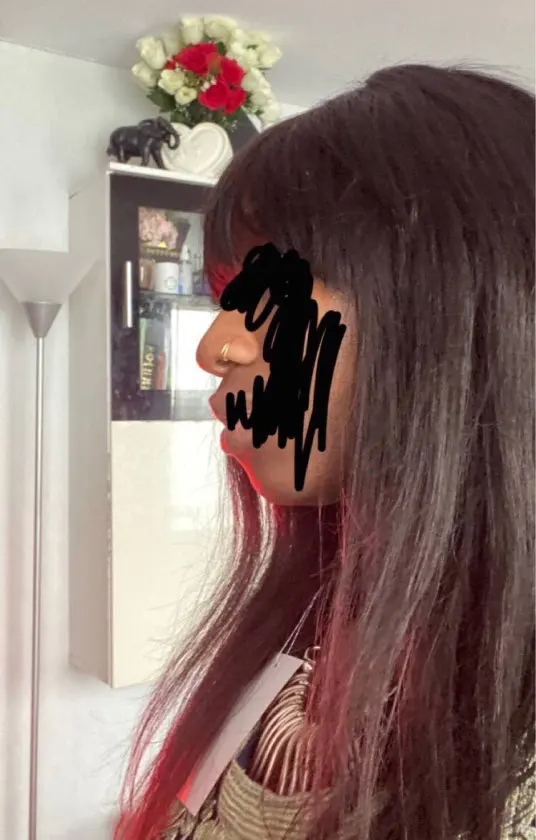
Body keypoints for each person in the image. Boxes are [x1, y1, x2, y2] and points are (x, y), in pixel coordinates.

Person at [114, 64, 535, 839]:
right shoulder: (308, 620)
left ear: (458, 311)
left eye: (267, 293)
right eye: (226, 298)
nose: (214, 348)